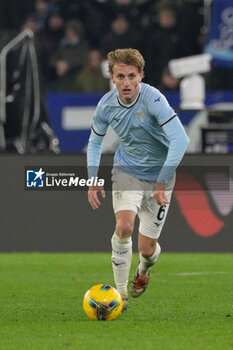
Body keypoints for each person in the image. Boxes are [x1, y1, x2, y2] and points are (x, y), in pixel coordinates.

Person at [87, 48, 189, 312]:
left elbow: (181, 140)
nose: (126, 83)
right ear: (112, 77)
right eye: (120, 76)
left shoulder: (154, 99)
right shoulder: (106, 105)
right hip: (126, 172)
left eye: (132, 76)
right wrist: (92, 178)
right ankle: (120, 297)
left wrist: (162, 180)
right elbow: (95, 142)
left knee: (146, 249)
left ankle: (144, 270)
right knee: (123, 227)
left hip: (160, 177)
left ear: (141, 76)